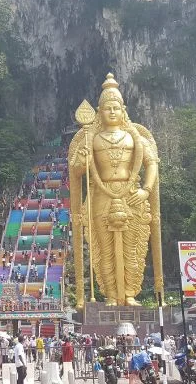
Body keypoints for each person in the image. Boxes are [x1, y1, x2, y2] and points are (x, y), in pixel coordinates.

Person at [68, 73, 162, 307]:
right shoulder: (92, 138)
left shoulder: (135, 137)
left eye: (116, 107)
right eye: (107, 108)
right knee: (104, 247)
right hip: (101, 194)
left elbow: (152, 164)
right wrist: (83, 159)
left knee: (132, 247)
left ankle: (129, 293)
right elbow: (77, 171)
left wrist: (146, 190)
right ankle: (110, 294)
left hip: (132, 194)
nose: (111, 112)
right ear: (99, 111)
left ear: (123, 110)